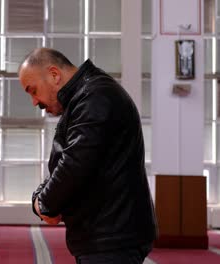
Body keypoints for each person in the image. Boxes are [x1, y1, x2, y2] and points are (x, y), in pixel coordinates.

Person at [18, 48, 157, 263]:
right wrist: (42, 197)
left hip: (111, 235)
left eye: (33, 90)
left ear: (54, 75)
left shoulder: (95, 96)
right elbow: (68, 160)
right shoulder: (86, 96)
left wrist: (44, 203)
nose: (34, 102)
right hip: (107, 233)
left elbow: (75, 164)